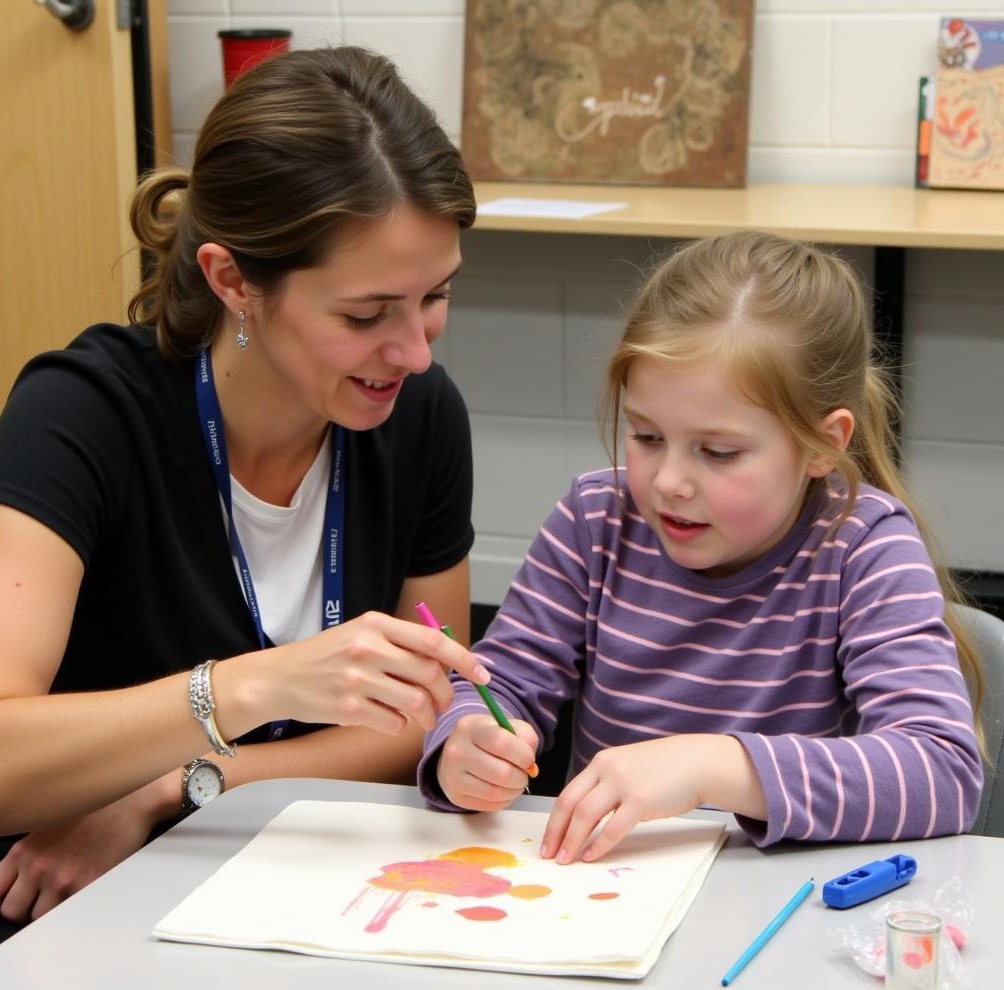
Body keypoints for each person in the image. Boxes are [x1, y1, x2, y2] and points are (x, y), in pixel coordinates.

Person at [0, 46, 492, 951]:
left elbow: (422, 715)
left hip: (295, 873)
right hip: (64, 903)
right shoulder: (83, 413)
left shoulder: (420, 418)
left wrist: (169, 783)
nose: (415, 352)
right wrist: (251, 687)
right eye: (366, 315)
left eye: (436, 297)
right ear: (230, 280)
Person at [420, 230, 985, 863]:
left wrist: (714, 765)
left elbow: (942, 772)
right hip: (608, 896)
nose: (668, 484)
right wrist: (461, 744)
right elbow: (498, 685)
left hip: (779, 913)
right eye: (646, 436)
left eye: (718, 452)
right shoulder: (595, 521)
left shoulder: (862, 548)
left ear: (824, 445)